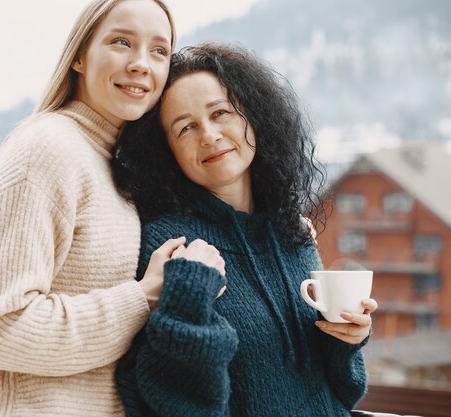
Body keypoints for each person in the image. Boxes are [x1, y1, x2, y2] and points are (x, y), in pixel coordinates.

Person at [0, 1, 206, 416]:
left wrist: (282, 227)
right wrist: (142, 297)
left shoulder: (113, 163)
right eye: (121, 42)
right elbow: (2, 330)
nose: (140, 64)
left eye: (159, 51)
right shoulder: (46, 151)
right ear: (78, 55)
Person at [112, 42, 378, 417]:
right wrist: (186, 299)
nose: (209, 135)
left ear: (253, 116)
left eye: (220, 113)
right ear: (166, 151)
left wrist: (348, 340)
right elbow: (173, 404)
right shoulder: (171, 246)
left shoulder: (292, 232)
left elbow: (345, 390)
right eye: (185, 127)